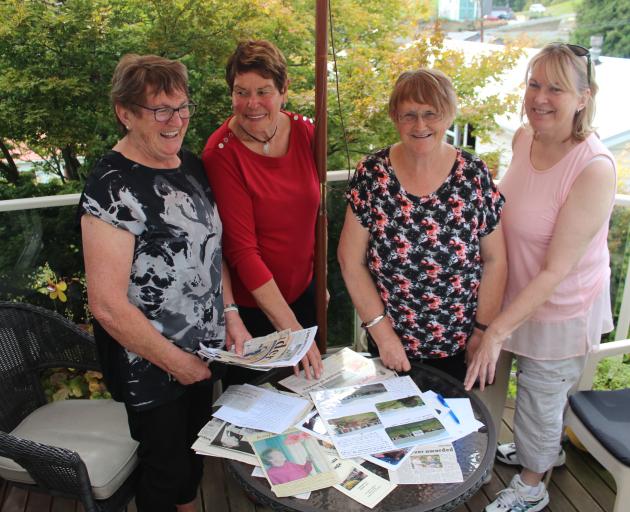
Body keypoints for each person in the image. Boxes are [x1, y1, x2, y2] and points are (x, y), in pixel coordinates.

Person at [79, 54, 250, 512]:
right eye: (161, 110)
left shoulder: (188, 165)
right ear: (126, 113)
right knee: (164, 470)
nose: (176, 121)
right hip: (150, 364)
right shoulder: (112, 186)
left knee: (190, 458)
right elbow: (107, 305)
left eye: (182, 107)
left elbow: (211, 251)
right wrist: (178, 363)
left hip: (204, 349)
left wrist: (230, 314)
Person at [464, 43, 616, 512]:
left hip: (559, 302)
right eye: (534, 84)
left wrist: (494, 332)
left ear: (583, 97)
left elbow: (556, 268)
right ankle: (538, 450)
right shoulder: (522, 137)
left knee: (539, 398)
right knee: (500, 388)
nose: (540, 97)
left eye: (556, 87)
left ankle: (534, 482)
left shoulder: (593, 167)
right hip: (515, 289)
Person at [337, 69, 507, 381]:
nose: (420, 125)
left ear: (449, 115)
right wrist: (384, 337)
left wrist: (482, 332)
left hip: (461, 344)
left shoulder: (473, 175)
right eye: (409, 115)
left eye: (431, 114)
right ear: (394, 116)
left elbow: (495, 260)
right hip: (389, 346)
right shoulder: (373, 174)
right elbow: (350, 260)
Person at [202, 40, 323, 383]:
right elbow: (242, 251)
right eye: (241, 92)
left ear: (284, 90)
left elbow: (316, 214)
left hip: (305, 294)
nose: (251, 103)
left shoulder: (306, 131)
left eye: (263, 91)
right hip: (252, 314)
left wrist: (320, 279)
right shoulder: (221, 154)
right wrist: (291, 331)